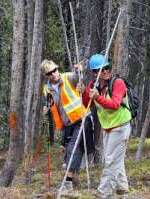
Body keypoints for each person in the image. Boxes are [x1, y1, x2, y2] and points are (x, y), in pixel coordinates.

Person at [78, 54, 132, 198]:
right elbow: (87, 104)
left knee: (110, 160)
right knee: (115, 159)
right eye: (101, 70)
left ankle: (103, 193)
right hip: (107, 128)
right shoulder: (92, 86)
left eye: (107, 68)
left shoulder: (118, 83)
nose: (106, 71)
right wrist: (84, 93)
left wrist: (98, 97)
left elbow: (114, 105)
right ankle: (122, 189)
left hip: (121, 126)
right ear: (95, 73)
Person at [41, 60, 95, 194]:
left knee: (74, 147)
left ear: (57, 68)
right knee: (67, 153)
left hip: (82, 119)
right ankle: (72, 178)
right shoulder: (47, 89)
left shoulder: (67, 77)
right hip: (67, 125)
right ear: (46, 75)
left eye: (54, 70)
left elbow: (77, 77)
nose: (54, 74)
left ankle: (68, 183)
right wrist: (46, 110)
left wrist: (78, 70)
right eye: (50, 73)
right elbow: (51, 106)